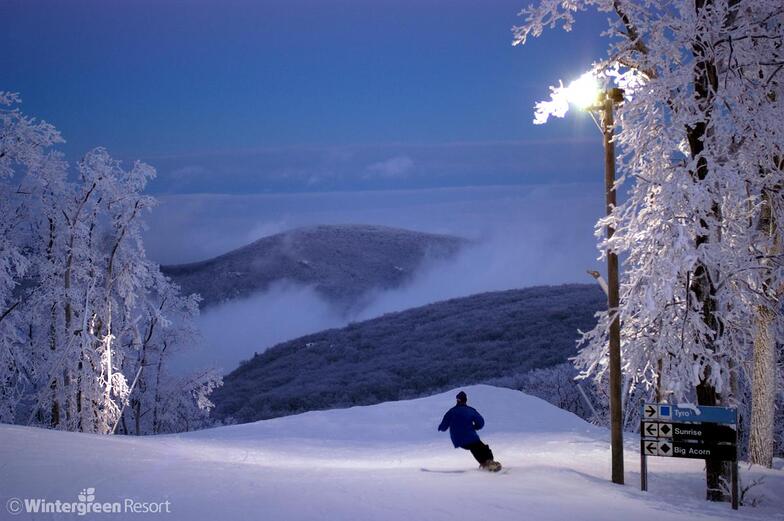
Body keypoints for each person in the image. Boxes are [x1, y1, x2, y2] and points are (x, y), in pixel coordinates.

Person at [437, 391, 501, 471]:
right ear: (466, 400)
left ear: (457, 400)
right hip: (470, 436)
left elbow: (443, 426)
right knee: (482, 448)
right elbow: (481, 422)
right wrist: (475, 427)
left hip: (458, 439)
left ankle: (486, 464)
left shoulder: (451, 412)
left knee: (475, 448)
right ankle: (488, 463)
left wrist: (440, 428)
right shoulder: (470, 410)